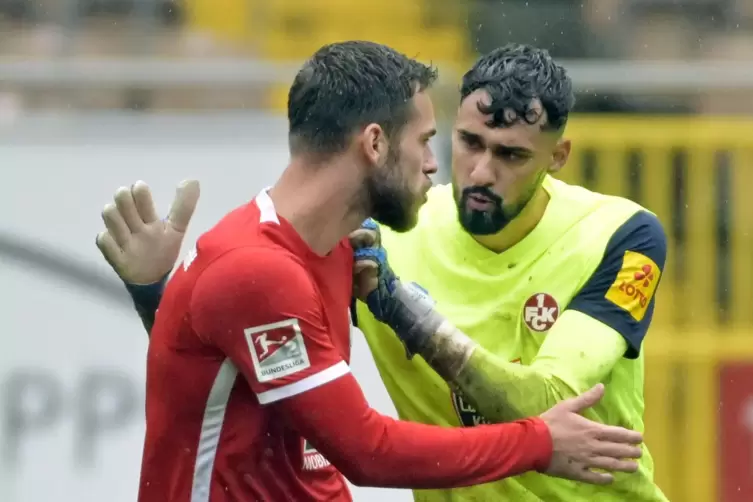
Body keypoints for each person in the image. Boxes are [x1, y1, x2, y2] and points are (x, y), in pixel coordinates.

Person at [96, 42, 645, 502]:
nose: (442, 167)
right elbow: (365, 450)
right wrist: (540, 443)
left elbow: (282, 422)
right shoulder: (255, 268)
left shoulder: (337, 252)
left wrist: (156, 294)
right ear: (375, 142)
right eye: (431, 141)